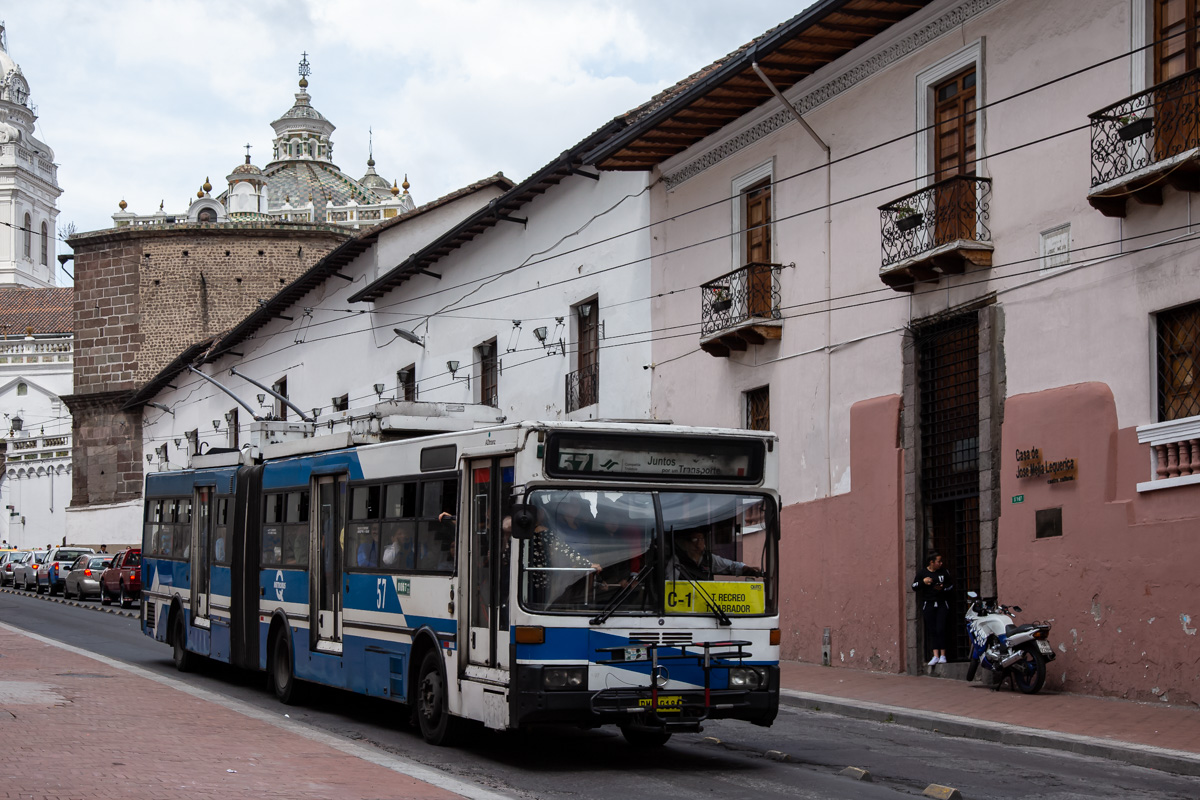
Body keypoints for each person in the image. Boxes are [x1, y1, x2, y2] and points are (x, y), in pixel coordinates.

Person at [912, 551, 954, 666]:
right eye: (938, 561)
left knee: (941, 628)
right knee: (932, 629)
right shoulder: (923, 573)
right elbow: (914, 586)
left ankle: (943, 655)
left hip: (941, 603)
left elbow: (951, 585)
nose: (941, 563)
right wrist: (923, 582)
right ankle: (935, 655)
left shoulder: (944, 572)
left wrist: (942, 588)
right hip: (929, 604)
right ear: (932, 562)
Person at [671, 530, 761, 580]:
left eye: (701, 539)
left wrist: (745, 568)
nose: (699, 544)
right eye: (695, 540)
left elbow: (730, 566)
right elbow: (669, 582)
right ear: (686, 544)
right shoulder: (677, 560)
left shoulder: (709, 559)